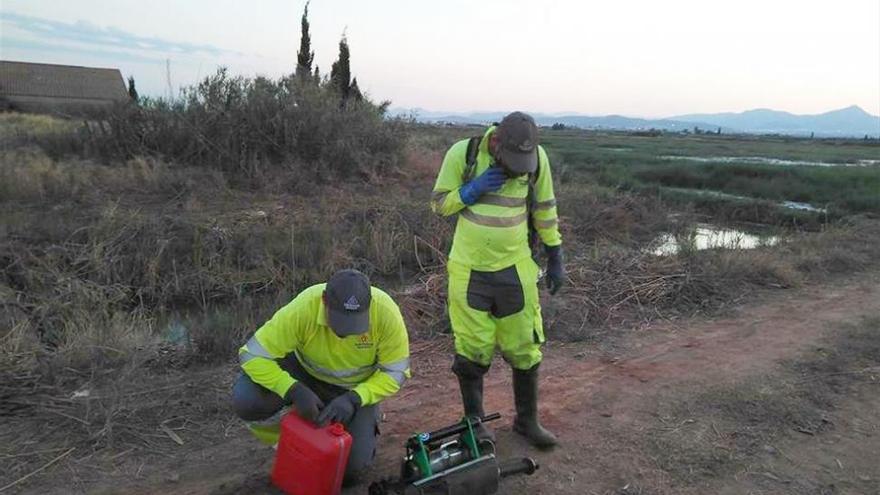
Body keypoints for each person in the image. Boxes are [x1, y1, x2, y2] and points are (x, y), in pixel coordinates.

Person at [431, 111, 564, 448]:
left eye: (526, 159)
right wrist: (471, 190)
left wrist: (555, 255)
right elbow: (439, 205)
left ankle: (526, 421)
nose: (520, 166)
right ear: (497, 143)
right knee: (472, 348)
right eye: (514, 159)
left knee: (525, 346)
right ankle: (475, 426)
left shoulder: (538, 160)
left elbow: (545, 209)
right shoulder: (464, 154)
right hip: (469, 269)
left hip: (515, 268)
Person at [231, 269, 411, 481]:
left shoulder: (385, 313)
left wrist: (356, 398)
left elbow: (396, 372)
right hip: (304, 375)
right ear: (324, 300)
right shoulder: (304, 307)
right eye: (340, 321)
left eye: (355, 323)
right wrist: (292, 389)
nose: (345, 333)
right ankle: (288, 437)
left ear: (369, 304)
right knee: (246, 400)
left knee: (350, 471)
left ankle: (361, 419)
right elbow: (251, 355)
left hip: (354, 390)